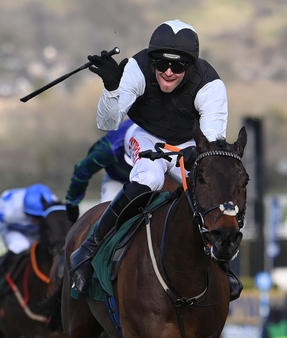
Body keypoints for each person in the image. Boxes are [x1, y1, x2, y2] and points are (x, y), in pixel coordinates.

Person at [69, 19, 242, 300]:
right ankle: (89, 248)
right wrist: (112, 86)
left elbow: (210, 145)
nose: (169, 72)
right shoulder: (137, 69)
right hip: (145, 135)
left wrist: (195, 155)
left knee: (207, 187)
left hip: (189, 142)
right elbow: (108, 122)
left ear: (192, 66)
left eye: (179, 66)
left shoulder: (211, 85)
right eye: (162, 65)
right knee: (149, 177)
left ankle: (222, 264)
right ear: (152, 61)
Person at [0, 184, 61, 294]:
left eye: (39, 217)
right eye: (33, 216)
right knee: (20, 246)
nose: (35, 221)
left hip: (40, 233)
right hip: (13, 231)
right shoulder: (6, 207)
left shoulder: (53, 201)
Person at [65, 119, 137, 223]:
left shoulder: (165, 134)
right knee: (108, 218)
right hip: (118, 180)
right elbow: (83, 169)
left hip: (155, 178)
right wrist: (72, 203)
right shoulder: (110, 148)